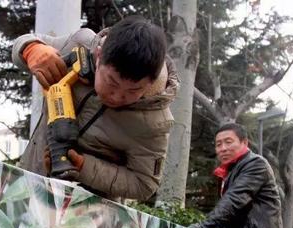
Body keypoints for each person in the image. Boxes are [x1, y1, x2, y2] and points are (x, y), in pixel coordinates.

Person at [12, 16, 179, 201]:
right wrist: (31, 49)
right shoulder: (79, 44)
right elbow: (22, 42)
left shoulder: (154, 122)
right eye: (111, 82)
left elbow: (144, 184)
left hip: (88, 215)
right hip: (26, 183)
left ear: (150, 83)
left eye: (133, 91)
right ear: (99, 56)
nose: (117, 96)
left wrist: (83, 166)